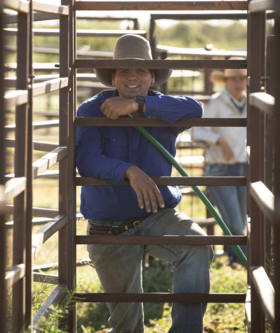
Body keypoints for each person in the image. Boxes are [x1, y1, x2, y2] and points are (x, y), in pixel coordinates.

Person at [76, 34, 214, 333]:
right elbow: (86, 160)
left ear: (153, 76)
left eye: (140, 71)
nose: (132, 77)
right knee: (127, 326)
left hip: (157, 214)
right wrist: (129, 171)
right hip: (108, 223)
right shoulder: (91, 109)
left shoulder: (163, 107)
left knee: (198, 247)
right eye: (124, 71)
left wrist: (138, 106)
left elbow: (196, 110)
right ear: (113, 77)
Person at [190, 64, 248, 266]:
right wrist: (219, 140)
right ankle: (244, 261)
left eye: (241, 78)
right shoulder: (216, 103)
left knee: (239, 219)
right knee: (234, 220)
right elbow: (196, 132)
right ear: (226, 82)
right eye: (234, 79)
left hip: (243, 166)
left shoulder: (249, 103)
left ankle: (236, 260)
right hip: (220, 167)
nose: (238, 83)